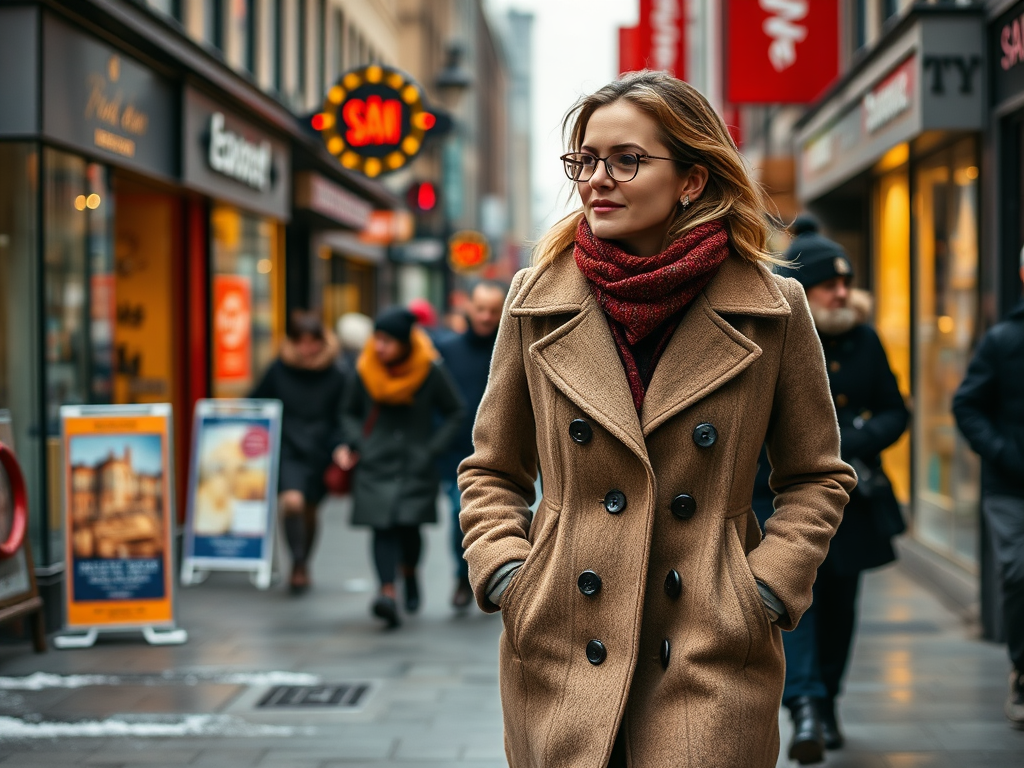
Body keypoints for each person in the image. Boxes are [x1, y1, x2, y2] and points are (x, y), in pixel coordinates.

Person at [457, 71, 856, 768]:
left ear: (693, 179)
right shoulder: (534, 300)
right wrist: (507, 574)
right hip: (562, 638)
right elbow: (492, 466)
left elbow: (817, 476)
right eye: (585, 160)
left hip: (708, 645)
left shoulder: (773, 308)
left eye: (626, 160)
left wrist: (760, 589)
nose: (597, 180)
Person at [754, 217, 909, 763]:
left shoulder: (864, 339)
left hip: (852, 503)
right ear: (803, 288)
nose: (840, 292)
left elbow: (896, 409)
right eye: (827, 284)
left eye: (845, 282)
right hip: (778, 500)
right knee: (798, 603)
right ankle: (806, 706)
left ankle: (827, 702)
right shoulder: (772, 330)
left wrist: (856, 441)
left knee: (841, 608)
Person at [334, 307, 464, 628]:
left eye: (388, 340)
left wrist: (431, 448)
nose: (380, 346)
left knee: (408, 527)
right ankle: (387, 593)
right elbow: (347, 412)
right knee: (383, 527)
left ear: (405, 343)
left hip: (414, 464)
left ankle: (410, 572)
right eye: (377, 338)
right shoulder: (364, 370)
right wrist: (358, 443)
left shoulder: (429, 370)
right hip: (375, 463)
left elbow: (455, 411)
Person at [952, 249, 1024, 728]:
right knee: (1020, 572)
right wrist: (1003, 453)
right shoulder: (1003, 340)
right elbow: (967, 406)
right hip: (1011, 488)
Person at [251, 309, 347, 593]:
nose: (307, 348)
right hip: (287, 447)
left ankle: (303, 562)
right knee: (292, 502)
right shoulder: (278, 369)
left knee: (309, 510)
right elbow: (257, 400)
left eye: (312, 341)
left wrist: (342, 444)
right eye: (301, 342)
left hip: (320, 450)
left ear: (322, 340)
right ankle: (298, 563)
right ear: (292, 342)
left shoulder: (336, 373)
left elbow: (343, 414)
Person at [435, 280, 508, 609]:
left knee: (501, 517)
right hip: (457, 451)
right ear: (468, 308)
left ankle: (484, 574)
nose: (486, 317)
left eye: (493, 310)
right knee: (459, 516)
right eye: (480, 309)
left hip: (503, 452)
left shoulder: (511, 346)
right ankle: (463, 576)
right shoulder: (447, 350)